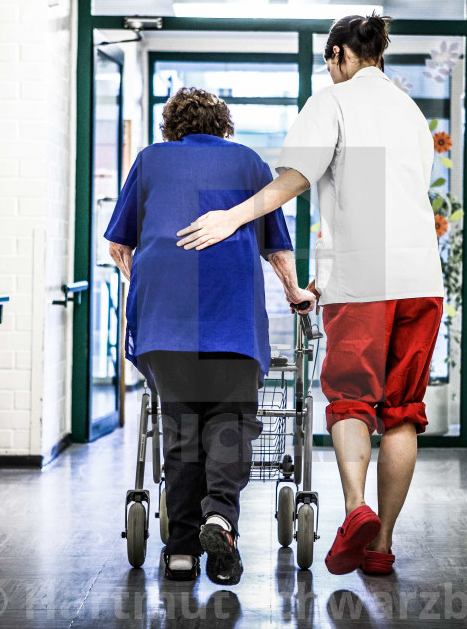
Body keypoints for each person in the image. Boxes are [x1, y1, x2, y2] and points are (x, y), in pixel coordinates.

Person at [175, 14, 444, 577]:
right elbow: (390, 195)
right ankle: (381, 545)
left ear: (341, 55)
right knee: (401, 414)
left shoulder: (333, 100)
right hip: (422, 281)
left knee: (350, 400)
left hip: (362, 284)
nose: (329, 67)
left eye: (329, 59)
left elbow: (293, 180)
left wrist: (232, 217)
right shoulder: (411, 112)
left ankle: (354, 511)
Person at [104, 87, 316, 585]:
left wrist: (154, 285)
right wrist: (295, 293)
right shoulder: (247, 161)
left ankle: (179, 553)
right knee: (230, 419)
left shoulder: (151, 160)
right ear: (224, 125)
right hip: (232, 315)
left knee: (180, 428)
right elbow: (277, 249)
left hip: (164, 319)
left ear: (171, 127)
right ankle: (220, 517)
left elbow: (118, 244)